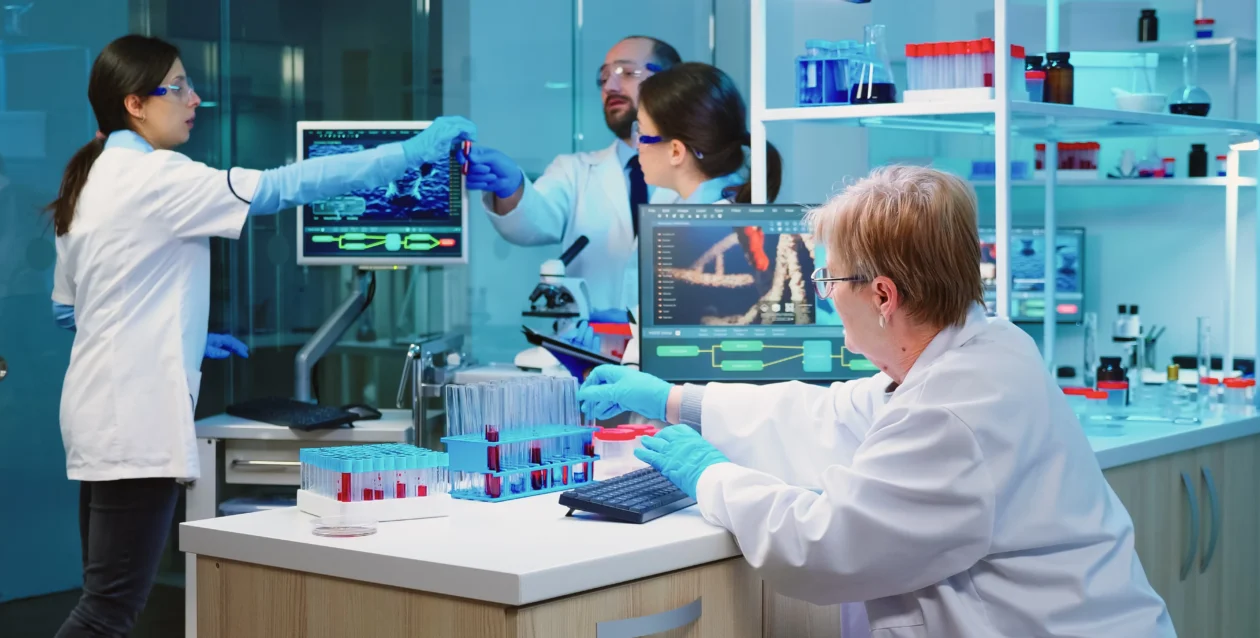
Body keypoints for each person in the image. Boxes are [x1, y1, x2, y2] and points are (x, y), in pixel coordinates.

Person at [577, 166, 1174, 637]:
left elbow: (827, 545)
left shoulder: (951, 409)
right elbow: (835, 416)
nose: (827, 296)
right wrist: (676, 400)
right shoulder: (979, 347)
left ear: (883, 295)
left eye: (829, 281)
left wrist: (711, 478)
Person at [47, 35, 474, 637]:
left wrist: (178, 336)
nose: (195, 98)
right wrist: (409, 155)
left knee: (103, 595)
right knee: (108, 609)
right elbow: (283, 186)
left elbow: (71, 313)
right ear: (134, 104)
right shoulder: (155, 175)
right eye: (178, 87)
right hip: (134, 425)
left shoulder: (89, 179)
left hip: (97, 417)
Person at [462, 35, 682, 314]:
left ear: (673, 83)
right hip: (591, 349)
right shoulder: (574, 171)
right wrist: (511, 185)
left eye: (627, 73)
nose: (610, 87)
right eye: (603, 78)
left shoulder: (709, 168)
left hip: (680, 349)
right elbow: (532, 222)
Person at [633, 61, 782, 205]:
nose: (637, 146)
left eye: (640, 132)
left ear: (676, 152)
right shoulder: (727, 202)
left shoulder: (708, 225)